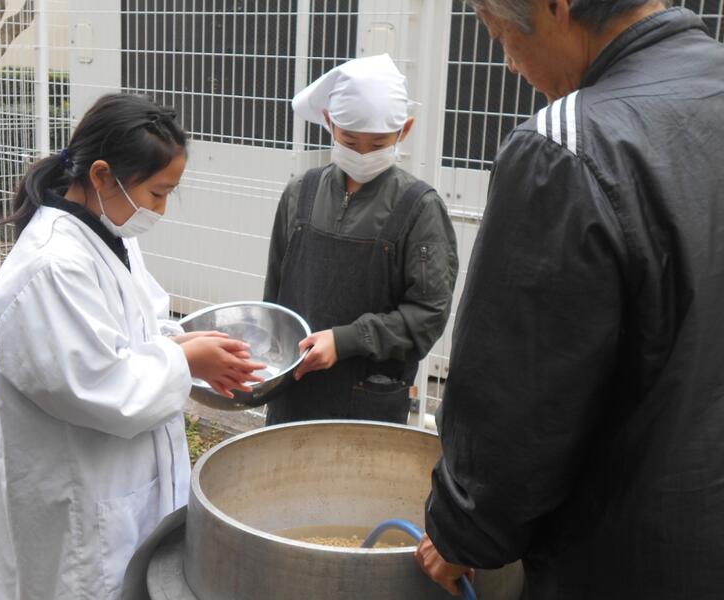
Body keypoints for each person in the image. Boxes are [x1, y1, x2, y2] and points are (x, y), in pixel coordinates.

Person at [416, 2, 724, 598]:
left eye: (502, 35)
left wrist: (460, 533)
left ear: (555, 7)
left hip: (623, 561)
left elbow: (515, 406)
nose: (510, 63)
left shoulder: (569, 148)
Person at [0, 93, 265, 600]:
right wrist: (184, 359)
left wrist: (180, 341)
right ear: (101, 175)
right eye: (157, 193)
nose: (161, 209)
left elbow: (136, 328)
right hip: (81, 494)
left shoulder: (109, 234)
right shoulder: (51, 267)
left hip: (119, 480)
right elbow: (98, 385)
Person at [263, 54, 459, 425]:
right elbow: (274, 300)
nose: (363, 154)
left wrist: (346, 341)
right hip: (294, 396)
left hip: (370, 406)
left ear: (405, 130)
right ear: (328, 122)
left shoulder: (419, 208)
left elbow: (427, 314)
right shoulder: (300, 194)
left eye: (378, 143)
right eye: (350, 141)